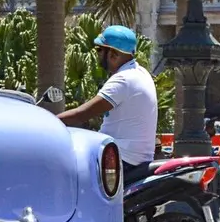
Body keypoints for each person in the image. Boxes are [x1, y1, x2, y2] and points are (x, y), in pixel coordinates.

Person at [58, 25, 159, 187]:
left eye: (100, 50)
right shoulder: (140, 73)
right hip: (135, 159)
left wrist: (48, 122)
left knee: (62, 170)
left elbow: (81, 114)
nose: (97, 55)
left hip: (122, 159)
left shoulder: (123, 80)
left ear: (113, 54)